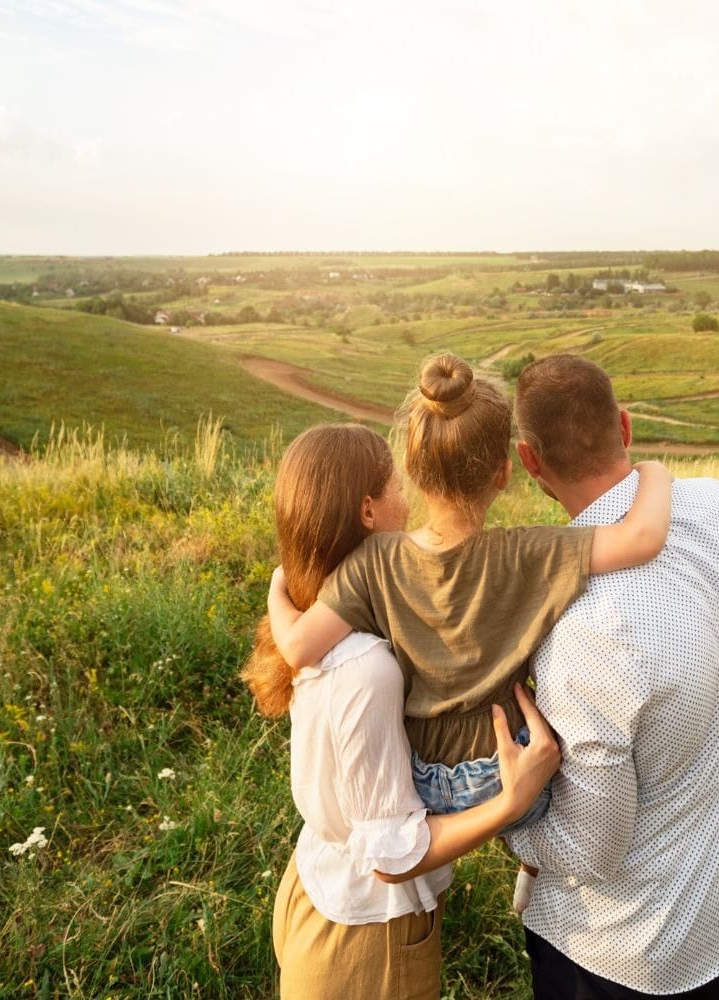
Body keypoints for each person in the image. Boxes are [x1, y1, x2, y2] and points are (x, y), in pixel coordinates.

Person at [505, 354, 719, 1000]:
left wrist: (510, 820)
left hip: (614, 952)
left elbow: (591, 852)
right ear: (623, 426)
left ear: (529, 460)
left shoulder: (581, 624)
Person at [266, 354, 673, 862]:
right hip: (506, 773)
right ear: (504, 473)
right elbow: (644, 537)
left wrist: (276, 589)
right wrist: (654, 471)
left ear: (412, 470)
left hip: (422, 785)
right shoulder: (528, 552)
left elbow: (300, 647)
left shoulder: (374, 560)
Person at [239, 423, 562, 999]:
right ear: (368, 510)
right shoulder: (367, 667)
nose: (408, 499)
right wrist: (513, 800)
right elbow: (392, 855)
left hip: (316, 884)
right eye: (395, 486)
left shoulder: (314, 613)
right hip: (367, 935)